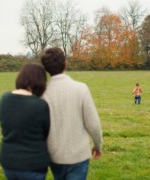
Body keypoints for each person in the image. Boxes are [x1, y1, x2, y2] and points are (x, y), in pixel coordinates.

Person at [41, 47, 103, 180]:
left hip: (54, 156)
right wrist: (98, 145)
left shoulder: (42, 93)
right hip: (79, 155)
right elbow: (93, 124)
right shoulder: (81, 89)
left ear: (46, 68)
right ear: (65, 63)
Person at [0, 63, 50, 180]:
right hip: (34, 165)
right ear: (40, 82)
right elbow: (46, 133)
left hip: (8, 162)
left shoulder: (4, 98)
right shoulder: (40, 105)